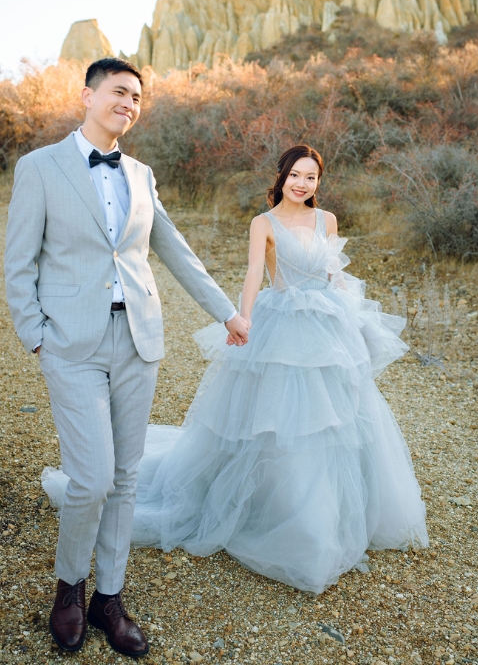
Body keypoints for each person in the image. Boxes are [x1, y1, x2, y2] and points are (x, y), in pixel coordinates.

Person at [42, 144, 429, 595]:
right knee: (279, 418)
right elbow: (252, 275)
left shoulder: (327, 221)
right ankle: (287, 516)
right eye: (296, 175)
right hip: (281, 321)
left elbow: (334, 275)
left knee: (338, 418)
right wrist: (241, 320)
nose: (303, 184)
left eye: (312, 178)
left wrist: (356, 316)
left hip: (327, 325)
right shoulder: (262, 224)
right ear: (282, 176)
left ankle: (326, 515)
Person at [6, 57, 251, 658]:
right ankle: (69, 588)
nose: (129, 104)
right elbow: (19, 262)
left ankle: (108, 598)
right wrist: (36, 333)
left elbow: (176, 250)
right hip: (71, 343)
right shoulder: (39, 168)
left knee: (125, 477)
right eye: (119, 92)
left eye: (137, 97)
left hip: (138, 341)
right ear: (87, 95)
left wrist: (227, 313)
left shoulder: (141, 174)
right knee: (89, 478)